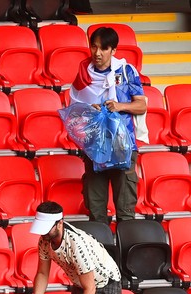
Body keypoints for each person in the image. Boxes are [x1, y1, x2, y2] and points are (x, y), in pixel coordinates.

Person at [70, 25, 147, 224]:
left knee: (126, 211)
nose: (98, 53)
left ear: (113, 50)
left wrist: (119, 105)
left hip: (123, 145)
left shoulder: (126, 71)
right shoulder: (83, 73)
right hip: (95, 146)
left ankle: (125, 252)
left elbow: (141, 106)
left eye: (104, 49)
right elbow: (74, 112)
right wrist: (89, 110)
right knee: (96, 212)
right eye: (94, 47)